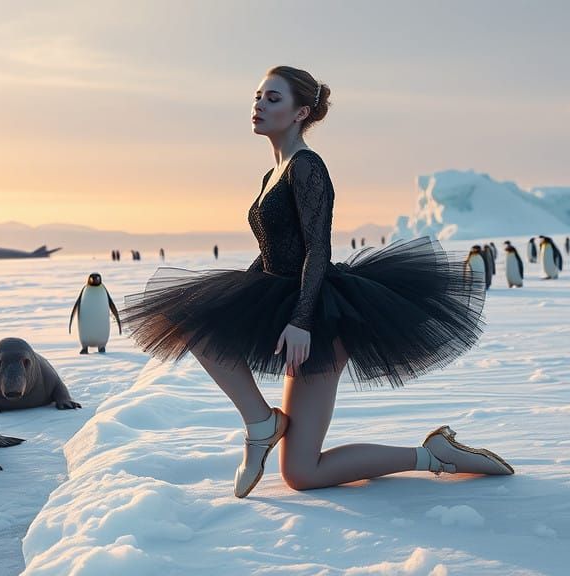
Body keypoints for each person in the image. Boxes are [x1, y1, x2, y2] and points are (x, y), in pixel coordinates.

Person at [119, 66, 512, 499]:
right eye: (257, 95)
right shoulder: (272, 173)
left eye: (273, 98)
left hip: (322, 315)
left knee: (301, 474)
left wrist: (303, 321)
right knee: (298, 467)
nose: (259, 105)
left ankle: (434, 456)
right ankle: (264, 423)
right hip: (287, 300)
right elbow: (275, 249)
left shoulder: (307, 166)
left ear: (300, 112)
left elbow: (317, 250)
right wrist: (238, 298)